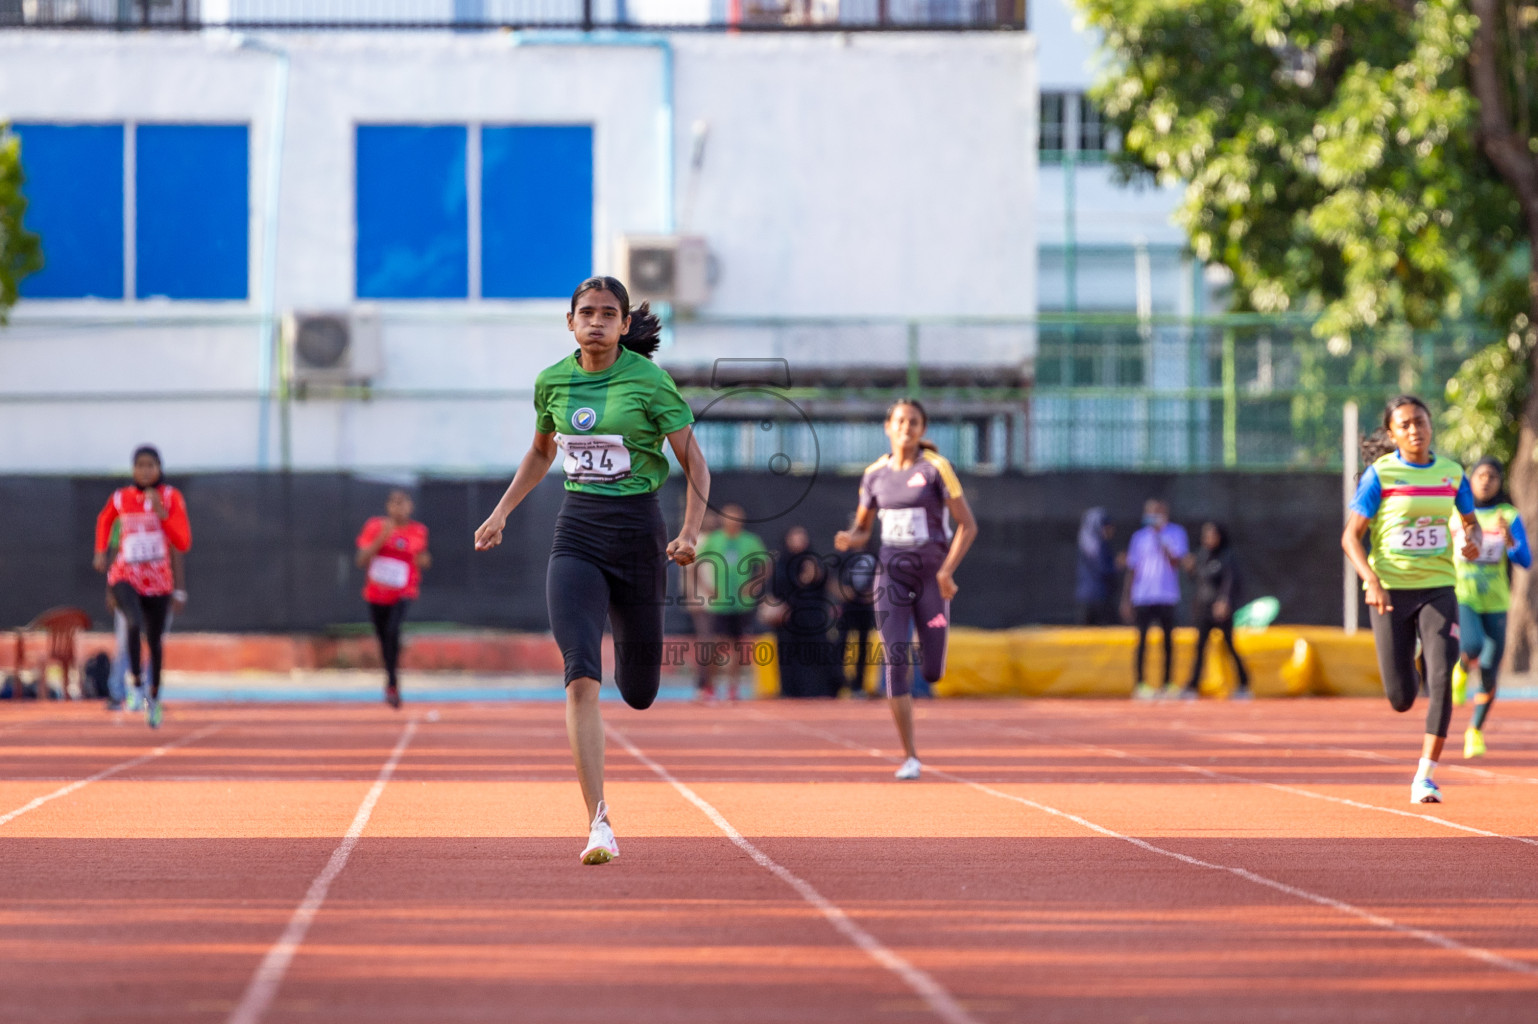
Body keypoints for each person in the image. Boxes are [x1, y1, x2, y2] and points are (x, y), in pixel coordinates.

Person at [474, 276, 709, 865]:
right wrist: (501, 512)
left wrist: (689, 532)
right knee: (580, 672)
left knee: (639, 690)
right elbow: (541, 451)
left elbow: (694, 461)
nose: (597, 322)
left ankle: (637, 677)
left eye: (609, 314)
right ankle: (598, 822)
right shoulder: (552, 381)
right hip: (576, 532)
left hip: (639, 536)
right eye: (587, 313)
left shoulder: (651, 382)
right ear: (571, 321)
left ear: (625, 324)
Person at [1342, 394, 1480, 804]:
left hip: (1438, 586)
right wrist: (1371, 580)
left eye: (1420, 421)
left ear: (1431, 424)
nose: (1414, 430)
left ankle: (1426, 775)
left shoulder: (1452, 474)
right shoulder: (1380, 475)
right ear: (1392, 433)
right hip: (1389, 591)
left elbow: (1470, 524)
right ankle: (1418, 655)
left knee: (1441, 679)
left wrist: (1471, 541)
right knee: (1402, 698)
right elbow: (1351, 537)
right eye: (1404, 425)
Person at [834, 398, 978, 780]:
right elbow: (864, 529)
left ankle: (928, 658)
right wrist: (852, 537)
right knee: (895, 658)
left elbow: (968, 525)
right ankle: (910, 755)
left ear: (922, 429)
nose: (906, 428)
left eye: (914, 422)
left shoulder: (936, 469)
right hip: (891, 577)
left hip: (931, 577)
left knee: (931, 671)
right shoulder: (875, 474)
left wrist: (947, 571)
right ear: (888, 426)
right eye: (900, 421)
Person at [92, 445, 192, 729]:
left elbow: (181, 544)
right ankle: (127, 688)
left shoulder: (171, 498)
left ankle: (152, 695)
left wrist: (162, 514)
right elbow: (105, 524)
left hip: (159, 582)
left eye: (151, 465)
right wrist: (100, 552)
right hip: (126, 577)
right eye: (140, 465)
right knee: (130, 628)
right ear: (133, 469)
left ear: (160, 468)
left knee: (155, 641)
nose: (145, 471)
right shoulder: (122, 499)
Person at [1450, 456, 1531, 758]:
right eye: (1481, 475)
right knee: (1471, 644)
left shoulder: (1507, 515)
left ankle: (1475, 730)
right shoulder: (1456, 515)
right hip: (1464, 594)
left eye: (1493, 476)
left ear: (1500, 483)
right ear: (1471, 480)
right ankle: (1460, 667)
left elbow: (1524, 561)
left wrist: (1509, 539)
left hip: (1496, 600)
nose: (1486, 481)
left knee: (1489, 669)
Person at [356, 489, 431, 709]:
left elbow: (423, 559)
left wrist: (423, 560)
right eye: (394, 503)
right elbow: (361, 559)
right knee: (384, 638)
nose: (398, 507)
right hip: (376, 594)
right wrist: (383, 537)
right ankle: (392, 679)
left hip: (403, 593)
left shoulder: (418, 531)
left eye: (403, 503)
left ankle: (391, 682)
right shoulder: (374, 526)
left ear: (411, 506)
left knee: (392, 630)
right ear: (388, 506)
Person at [694, 504, 771, 702]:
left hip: (742, 603)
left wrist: (754, 584)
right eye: (729, 517)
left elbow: (765, 565)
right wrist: (706, 587)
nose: (733, 522)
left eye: (736, 518)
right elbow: (698, 564)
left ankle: (732, 689)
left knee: (737, 647)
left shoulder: (750, 540)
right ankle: (710, 687)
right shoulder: (714, 539)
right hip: (720, 603)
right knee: (717, 646)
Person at [1122, 499, 1189, 698]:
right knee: (1142, 641)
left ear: (1164, 512)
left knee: (1168, 642)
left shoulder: (1176, 533)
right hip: (1143, 596)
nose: (1152, 516)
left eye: (1156, 512)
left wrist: (1163, 541)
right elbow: (1132, 569)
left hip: (1167, 595)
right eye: (1149, 512)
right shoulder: (1138, 537)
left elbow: (1177, 562)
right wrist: (1126, 598)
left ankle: (1168, 683)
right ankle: (1141, 684)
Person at [767, 525, 841, 698]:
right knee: (788, 658)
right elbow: (776, 589)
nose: (799, 540)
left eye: (802, 536)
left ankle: (821, 690)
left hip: (812, 620)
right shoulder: (780, 563)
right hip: (788, 620)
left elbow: (821, 585)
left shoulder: (813, 561)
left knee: (816, 656)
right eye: (795, 536)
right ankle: (790, 691)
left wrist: (813, 576)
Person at [1180, 522, 1250, 699]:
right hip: (1203, 610)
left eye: (1211, 535)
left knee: (1229, 646)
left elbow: (1230, 580)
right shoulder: (1202, 556)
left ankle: (1243, 684)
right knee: (1200, 647)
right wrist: (1190, 569)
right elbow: (1198, 579)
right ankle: (1192, 686)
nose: (1208, 539)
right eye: (1206, 535)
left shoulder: (1227, 556)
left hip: (1220, 610)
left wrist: (1224, 601)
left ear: (1220, 536)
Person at [681, 507, 723, 699]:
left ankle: (712, 684)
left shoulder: (720, 542)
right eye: (707, 519)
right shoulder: (696, 542)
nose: (711, 522)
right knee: (706, 642)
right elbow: (691, 571)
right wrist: (692, 596)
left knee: (718, 644)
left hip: (722, 601)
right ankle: (702, 684)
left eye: (713, 519)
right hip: (703, 600)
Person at [833, 542, 878, 697]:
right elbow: (832, 579)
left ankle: (859, 685)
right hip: (847, 605)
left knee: (863, 645)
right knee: (841, 643)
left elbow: (883, 577)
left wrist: (873, 594)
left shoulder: (874, 554)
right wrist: (842, 592)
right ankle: (838, 681)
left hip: (865, 606)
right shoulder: (844, 554)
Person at [1075, 507, 1120, 625]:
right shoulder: (1096, 545)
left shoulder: (1086, 542)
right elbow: (1102, 568)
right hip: (1099, 597)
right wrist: (1117, 564)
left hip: (1088, 596)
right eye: (1107, 527)